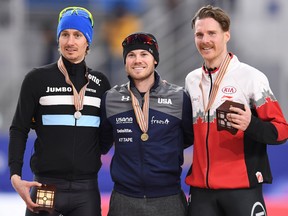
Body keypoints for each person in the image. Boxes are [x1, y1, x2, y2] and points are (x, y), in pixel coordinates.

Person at [185, 5, 288, 216]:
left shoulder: (251, 77)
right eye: (199, 34)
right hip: (202, 192)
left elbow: (281, 131)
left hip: (242, 190)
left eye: (212, 33)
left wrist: (252, 124)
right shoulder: (191, 80)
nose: (205, 40)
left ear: (226, 35)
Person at [8, 6, 111, 216]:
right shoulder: (37, 79)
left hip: (86, 190)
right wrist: (15, 175)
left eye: (77, 35)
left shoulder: (100, 83)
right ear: (58, 38)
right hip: (47, 186)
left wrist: (86, 154)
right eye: (65, 34)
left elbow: (105, 135)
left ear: (87, 41)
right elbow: (19, 128)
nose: (70, 42)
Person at [100, 32, 194, 216]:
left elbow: (188, 137)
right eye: (131, 55)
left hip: (168, 199)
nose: (137, 60)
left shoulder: (178, 97)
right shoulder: (111, 99)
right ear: (125, 62)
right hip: (124, 200)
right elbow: (101, 143)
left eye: (144, 54)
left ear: (155, 60)